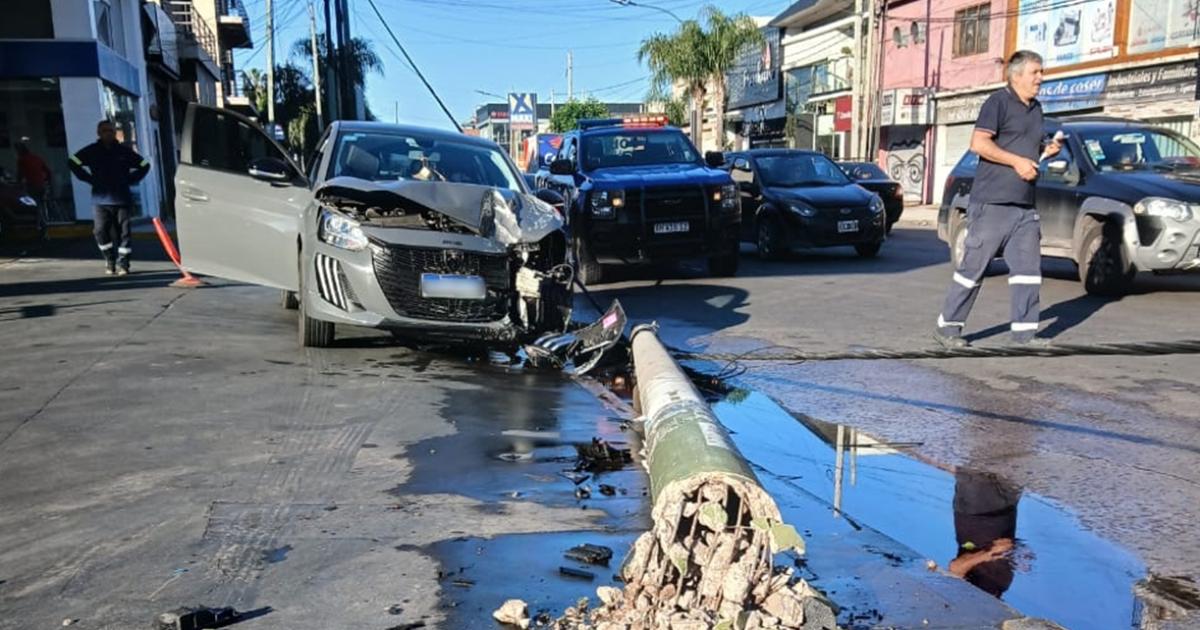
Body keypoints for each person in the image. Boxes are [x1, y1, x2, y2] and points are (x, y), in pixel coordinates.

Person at [935, 50, 1061, 348]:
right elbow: (979, 143)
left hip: (1024, 205)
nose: (1041, 78)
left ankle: (1024, 335)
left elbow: (1026, 147)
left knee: (1028, 273)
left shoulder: (1037, 109)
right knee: (973, 269)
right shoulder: (997, 102)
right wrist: (1017, 162)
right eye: (1035, 72)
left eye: (1042, 72)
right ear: (1016, 75)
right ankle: (947, 329)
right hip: (992, 203)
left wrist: (1046, 150)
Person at [68, 120, 150, 275]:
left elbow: (145, 164)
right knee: (99, 231)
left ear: (114, 132)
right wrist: (88, 178)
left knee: (123, 233)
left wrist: (130, 179)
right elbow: (73, 162)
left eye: (111, 130)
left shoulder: (124, 151)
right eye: (105, 130)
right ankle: (110, 259)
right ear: (99, 133)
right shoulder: (92, 151)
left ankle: (124, 264)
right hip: (100, 200)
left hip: (122, 198)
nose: (108, 133)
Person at [948, 468, 1022, 598]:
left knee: (977, 464)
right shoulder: (1001, 587)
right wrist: (1022, 555)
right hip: (1006, 511)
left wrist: (989, 554)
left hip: (975, 512)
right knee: (1018, 462)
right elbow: (1009, 550)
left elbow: (955, 568)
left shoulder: (970, 597)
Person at [15, 140, 52, 225]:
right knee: (40, 203)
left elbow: (20, 174)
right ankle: (44, 220)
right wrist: (47, 181)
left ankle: (38, 223)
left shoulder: (22, 160)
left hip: (32, 186)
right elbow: (48, 171)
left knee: (31, 204)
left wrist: (17, 183)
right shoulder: (37, 158)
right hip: (41, 185)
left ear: (19, 151)